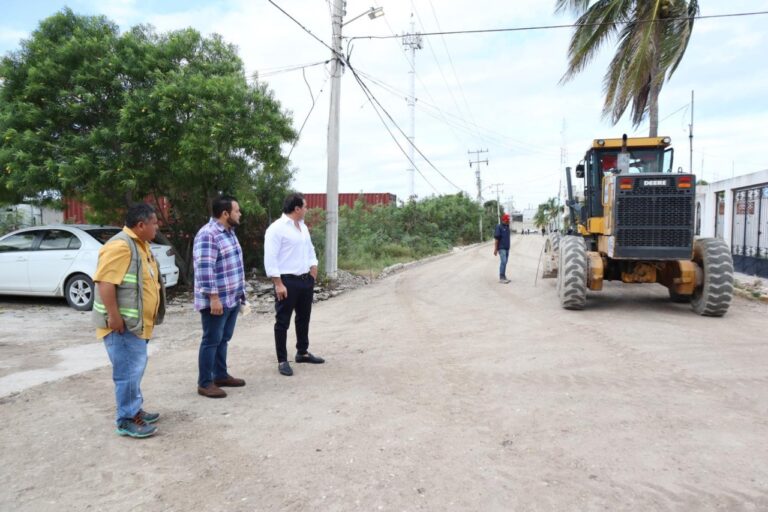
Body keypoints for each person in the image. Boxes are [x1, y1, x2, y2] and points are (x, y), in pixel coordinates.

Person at [93, 203, 166, 438]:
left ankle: (134, 409)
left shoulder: (140, 245)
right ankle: (125, 419)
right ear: (141, 225)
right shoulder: (120, 246)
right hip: (122, 327)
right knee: (127, 373)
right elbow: (105, 283)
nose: (157, 226)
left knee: (134, 370)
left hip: (136, 326)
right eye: (154, 222)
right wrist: (114, 318)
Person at [264, 192, 324, 376]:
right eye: (305, 206)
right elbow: (270, 257)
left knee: (303, 317)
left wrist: (314, 266)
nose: (307, 209)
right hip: (286, 281)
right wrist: (278, 283)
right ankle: (282, 360)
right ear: (297, 209)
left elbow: (310, 248)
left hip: (305, 279)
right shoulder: (276, 228)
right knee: (283, 321)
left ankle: (302, 352)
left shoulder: (302, 227)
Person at [193, 196, 247, 399]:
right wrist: (213, 298)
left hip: (232, 298)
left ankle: (221, 375)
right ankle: (205, 383)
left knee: (223, 339)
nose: (239, 214)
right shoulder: (209, 234)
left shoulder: (229, 233)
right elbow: (204, 269)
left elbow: (234, 265)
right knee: (211, 340)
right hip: (217, 301)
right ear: (225, 213)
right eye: (237, 211)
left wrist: (241, 295)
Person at [493, 213, 512, 284]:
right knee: (503, 262)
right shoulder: (499, 227)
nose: (508, 221)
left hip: (507, 248)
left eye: (508, 220)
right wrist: (495, 249)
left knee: (505, 262)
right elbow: (496, 239)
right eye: (507, 220)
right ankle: (501, 278)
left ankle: (504, 276)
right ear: (504, 220)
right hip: (501, 248)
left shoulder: (507, 227)